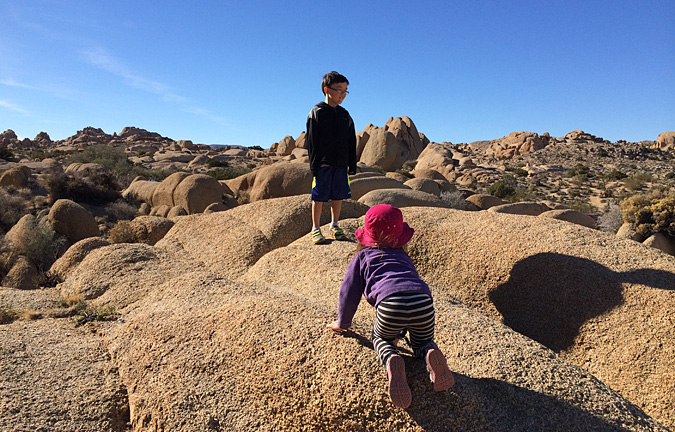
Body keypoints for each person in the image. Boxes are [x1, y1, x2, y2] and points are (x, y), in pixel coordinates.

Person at [327, 204, 454, 409]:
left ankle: (392, 358)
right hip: (423, 301)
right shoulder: (403, 256)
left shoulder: (362, 257)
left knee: (381, 338)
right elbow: (407, 285)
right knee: (422, 340)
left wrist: (343, 323)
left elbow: (349, 292)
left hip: (390, 304)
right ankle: (429, 352)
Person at [306, 71, 357, 244]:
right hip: (323, 163)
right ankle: (315, 228)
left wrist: (352, 164)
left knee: (338, 196)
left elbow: (351, 141)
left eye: (345, 91)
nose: (343, 94)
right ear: (327, 90)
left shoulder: (345, 115)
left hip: (341, 163)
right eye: (339, 90)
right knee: (318, 196)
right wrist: (314, 166)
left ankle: (335, 225)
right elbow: (312, 141)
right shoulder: (317, 112)